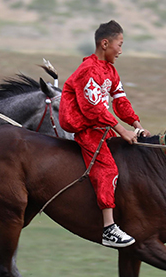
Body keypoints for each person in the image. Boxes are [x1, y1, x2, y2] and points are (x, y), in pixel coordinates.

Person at [59, 20, 147, 248]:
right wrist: (122, 130)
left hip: (103, 126)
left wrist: (137, 126)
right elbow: (95, 109)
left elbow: (120, 101)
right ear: (105, 43)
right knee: (107, 168)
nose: (121, 50)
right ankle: (108, 228)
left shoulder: (110, 70)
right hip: (88, 129)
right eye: (120, 44)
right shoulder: (87, 71)